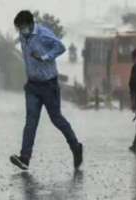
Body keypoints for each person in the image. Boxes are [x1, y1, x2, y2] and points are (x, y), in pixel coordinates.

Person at [10, 10, 83, 170]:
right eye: (19, 28)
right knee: (30, 122)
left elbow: (61, 47)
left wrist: (45, 57)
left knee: (56, 119)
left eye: (22, 27)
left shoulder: (43, 34)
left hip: (49, 85)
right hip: (32, 86)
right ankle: (25, 158)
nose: (21, 30)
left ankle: (75, 147)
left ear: (30, 24)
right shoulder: (23, 36)